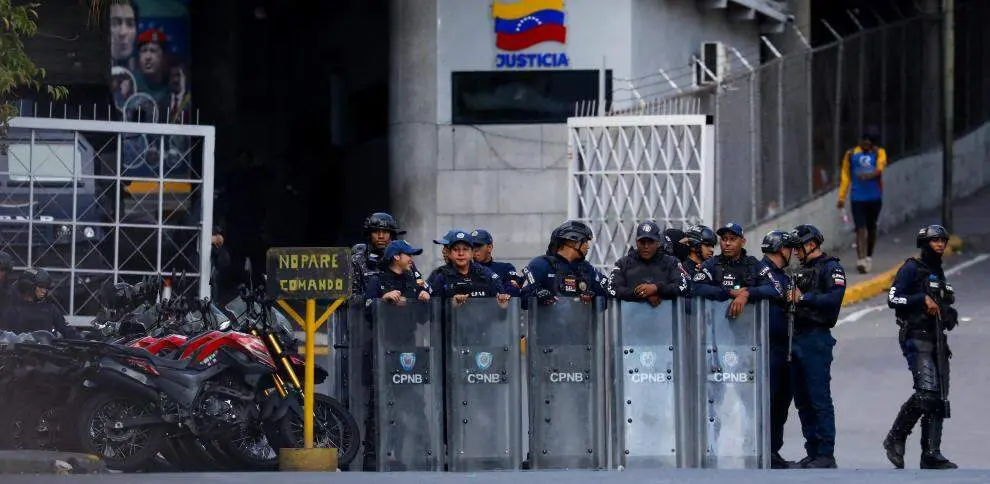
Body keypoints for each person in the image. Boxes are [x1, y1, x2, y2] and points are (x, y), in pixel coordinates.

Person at [883, 224, 958, 470]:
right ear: (924, 244)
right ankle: (896, 436)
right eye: (935, 241)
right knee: (926, 392)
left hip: (937, 339)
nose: (940, 245)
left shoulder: (938, 273)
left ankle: (931, 453)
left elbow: (942, 305)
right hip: (916, 335)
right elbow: (893, 298)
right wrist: (920, 299)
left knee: (938, 397)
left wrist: (949, 313)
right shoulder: (910, 268)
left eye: (942, 241)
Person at [786, 224, 845, 469]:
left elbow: (834, 298)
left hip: (816, 338)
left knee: (819, 397)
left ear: (811, 244)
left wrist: (805, 298)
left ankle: (825, 454)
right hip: (796, 337)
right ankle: (812, 451)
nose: (796, 252)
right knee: (802, 399)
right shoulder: (801, 271)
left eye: (799, 247)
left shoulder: (832, 268)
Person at [759, 230, 801, 469]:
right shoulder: (761, 273)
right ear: (779, 249)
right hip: (766, 347)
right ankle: (762, 450)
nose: (792, 253)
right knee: (768, 401)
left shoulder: (783, 276)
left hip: (784, 347)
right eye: (788, 248)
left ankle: (773, 451)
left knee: (782, 402)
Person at [692, 223, 782, 317]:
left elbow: (775, 288)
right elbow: (696, 287)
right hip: (716, 326)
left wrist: (747, 293)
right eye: (724, 239)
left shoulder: (753, 264)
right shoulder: (711, 264)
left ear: (743, 242)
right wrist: (730, 292)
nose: (727, 243)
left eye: (732, 239)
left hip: (749, 327)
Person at [520, 220, 608, 306]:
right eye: (585, 242)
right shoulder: (541, 265)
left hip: (580, 320)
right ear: (573, 242)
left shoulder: (587, 268)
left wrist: (593, 297)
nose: (588, 246)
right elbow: (522, 299)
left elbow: (605, 296)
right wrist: (537, 294)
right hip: (547, 320)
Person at [837, 125, 887, 274]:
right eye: (864, 139)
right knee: (860, 228)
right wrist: (841, 197)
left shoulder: (879, 153)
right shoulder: (851, 154)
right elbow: (845, 176)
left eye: (869, 141)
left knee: (871, 228)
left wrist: (869, 175)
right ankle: (861, 260)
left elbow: (880, 169)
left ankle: (869, 257)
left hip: (874, 197)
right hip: (857, 197)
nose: (866, 142)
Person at [608, 221, 689, 305]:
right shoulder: (623, 263)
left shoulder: (671, 262)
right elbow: (612, 289)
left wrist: (657, 289)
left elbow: (682, 286)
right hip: (631, 316)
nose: (646, 246)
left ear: (658, 243)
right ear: (636, 242)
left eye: (650, 242)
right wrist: (639, 294)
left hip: (665, 317)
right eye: (642, 242)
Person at [426, 230, 510, 305]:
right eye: (456, 249)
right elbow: (432, 310)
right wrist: (452, 305)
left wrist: (502, 305)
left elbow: (502, 305)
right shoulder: (441, 276)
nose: (461, 253)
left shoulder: (485, 274)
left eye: (465, 249)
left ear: (472, 253)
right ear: (450, 253)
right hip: (451, 322)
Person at [351, 212, 423, 298]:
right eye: (376, 231)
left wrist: (422, 293)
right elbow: (351, 298)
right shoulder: (357, 260)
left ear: (391, 235)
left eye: (385, 232)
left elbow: (419, 284)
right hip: (370, 309)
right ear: (369, 234)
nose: (381, 236)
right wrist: (381, 299)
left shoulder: (402, 260)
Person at [0, 268, 80, 339]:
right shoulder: (12, 310)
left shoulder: (50, 309)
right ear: (28, 286)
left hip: (48, 354)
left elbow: (69, 332)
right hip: (16, 354)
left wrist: (85, 342)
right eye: (41, 287)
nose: (44, 291)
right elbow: (4, 337)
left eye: (46, 288)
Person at [365, 240, 431, 303]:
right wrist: (383, 299)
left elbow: (425, 288)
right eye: (409, 255)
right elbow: (367, 307)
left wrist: (424, 293)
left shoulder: (413, 277)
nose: (411, 259)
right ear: (396, 256)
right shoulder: (377, 280)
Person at [471, 229, 523, 296]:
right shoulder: (464, 270)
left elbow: (512, 292)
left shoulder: (506, 268)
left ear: (489, 247)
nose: (474, 251)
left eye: (478, 246)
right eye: (471, 247)